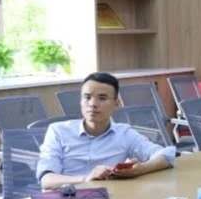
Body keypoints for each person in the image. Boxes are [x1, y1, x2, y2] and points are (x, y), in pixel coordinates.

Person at [37, 72, 175, 189]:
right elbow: (46, 180)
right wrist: (86, 178)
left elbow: (167, 154)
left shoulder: (124, 133)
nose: (92, 104)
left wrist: (140, 169)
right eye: (87, 97)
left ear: (116, 103)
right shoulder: (58, 131)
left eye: (102, 98)